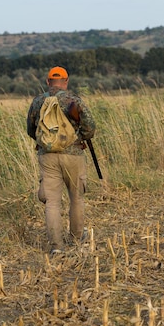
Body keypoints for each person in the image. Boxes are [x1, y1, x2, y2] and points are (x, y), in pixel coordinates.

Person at [26, 66, 96, 255]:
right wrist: (78, 139)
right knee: (76, 198)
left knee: (52, 203)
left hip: (47, 157)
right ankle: (76, 238)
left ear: (48, 82)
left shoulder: (38, 102)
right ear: (66, 81)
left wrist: (47, 144)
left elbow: (31, 130)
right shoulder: (74, 101)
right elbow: (90, 128)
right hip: (73, 156)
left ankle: (56, 246)